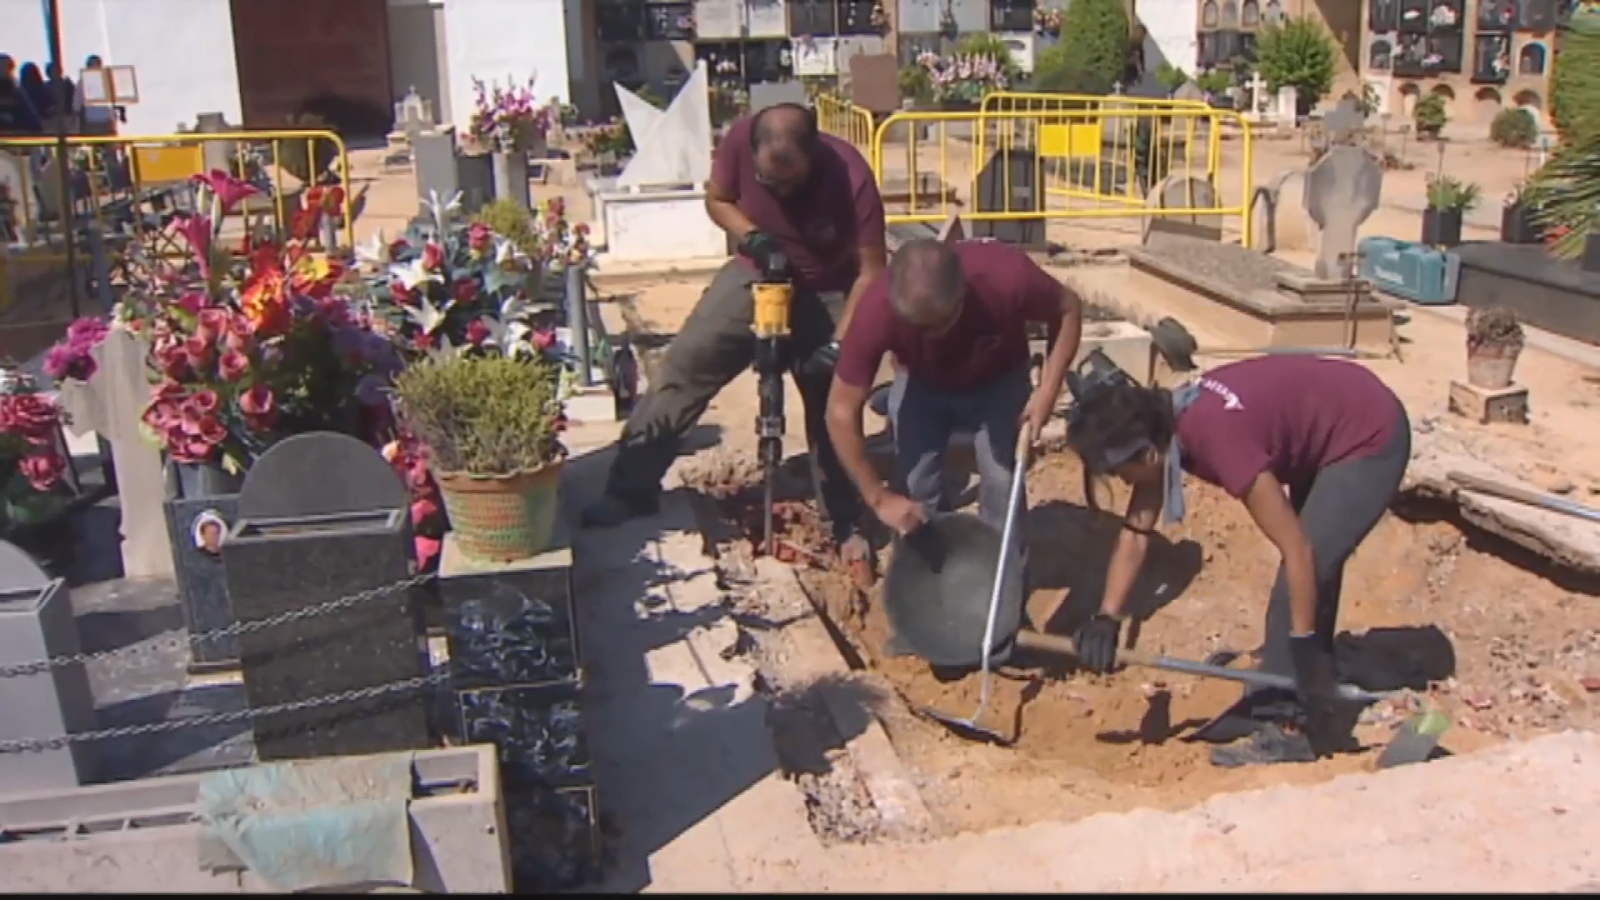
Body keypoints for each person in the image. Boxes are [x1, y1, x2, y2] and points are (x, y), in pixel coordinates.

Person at [1063, 355, 1412, 767]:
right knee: (1312, 570)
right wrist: (1107, 616)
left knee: (1298, 578)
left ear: (1149, 456)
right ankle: (1312, 683)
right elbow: (1136, 533)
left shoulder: (1219, 439)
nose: (1122, 482)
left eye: (1121, 472)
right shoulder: (1163, 425)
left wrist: (1298, 657)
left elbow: (1297, 551)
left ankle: (1292, 727)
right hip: (1324, 427)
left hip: (1368, 434)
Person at [580, 103, 889, 566]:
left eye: (791, 182)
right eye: (770, 183)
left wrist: (839, 343)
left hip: (829, 287)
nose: (781, 191)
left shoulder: (852, 178)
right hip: (757, 271)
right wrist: (754, 238)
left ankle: (843, 521)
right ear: (753, 148)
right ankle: (630, 489)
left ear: (815, 154)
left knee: (833, 404)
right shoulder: (737, 142)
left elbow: (872, 273)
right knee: (685, 365)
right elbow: (718, 198)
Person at [826, 238, 1084, 545]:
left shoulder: (1005, 276)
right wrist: (879, 499)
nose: (932, 335)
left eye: (940, 324)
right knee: (916, 484)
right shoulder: (876, 310)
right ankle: (931, 576)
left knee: (1001, 481)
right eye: (919, 328)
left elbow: (1068, 308)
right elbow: (840, 410)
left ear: (963, 293)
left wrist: (1047, 391)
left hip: (999, 381)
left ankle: (1001, 579)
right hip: (922, 385)